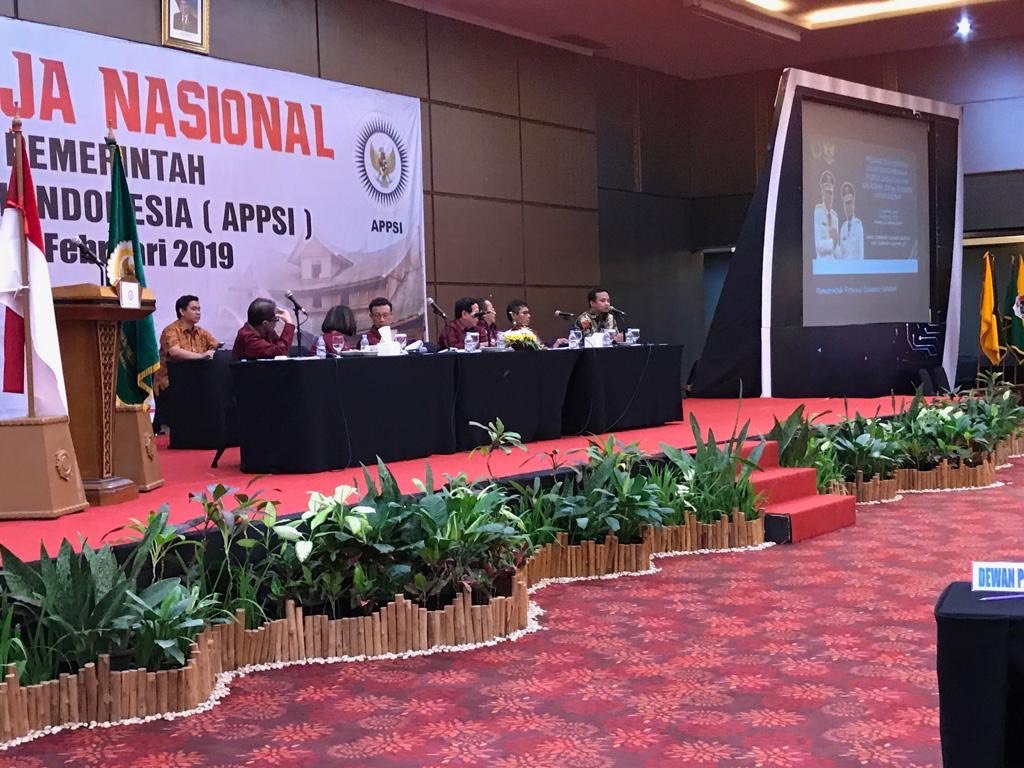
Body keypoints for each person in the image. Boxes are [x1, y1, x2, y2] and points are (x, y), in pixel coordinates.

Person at [152, 294, 218, 433]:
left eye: (199, 309)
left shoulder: (201, 332)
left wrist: (212, 352)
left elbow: (216, 345)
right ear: (182, 311)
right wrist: (201, 356)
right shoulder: (170, 331)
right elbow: (174, 352)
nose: (198, 312)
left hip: (194, 379)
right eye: (194, 309)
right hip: (171, 381)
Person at [814, 169, 840, 259]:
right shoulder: (818, 212)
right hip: (822, 264)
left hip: (833, 265)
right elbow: (818, 246)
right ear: (822, 193)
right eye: (827, 192)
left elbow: (836, 248)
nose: (829, 196)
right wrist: (832, 242)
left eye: (831, 193)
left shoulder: (834, 217)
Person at [839, 181, 864, 261]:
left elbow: (861, 253)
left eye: (849, 203)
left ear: (853, 204)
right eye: (846, 204)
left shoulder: (858, 225)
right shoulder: (843, 228)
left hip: (856, 267)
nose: (848, 207)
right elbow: (841, 253)